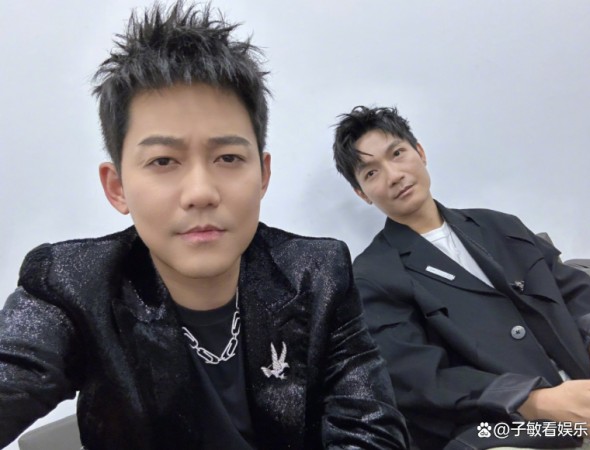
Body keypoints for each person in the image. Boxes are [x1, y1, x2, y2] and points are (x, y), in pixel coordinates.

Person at [0, 5, 409, 449]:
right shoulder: (72, 287)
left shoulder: (319, 274)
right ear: (117, 188)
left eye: (228, 158)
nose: (200, 192)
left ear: (263, 175)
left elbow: (371, 431)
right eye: (163, 161)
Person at [332, 105, 590, 449]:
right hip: (505, 429)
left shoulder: (499, 226)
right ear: (361, 193)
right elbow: (418, 378)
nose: (394, 175)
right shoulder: (373, 276)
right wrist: (536, 401)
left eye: (397, 154)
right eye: (371, 173)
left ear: (420, 152)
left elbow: (573, 289)